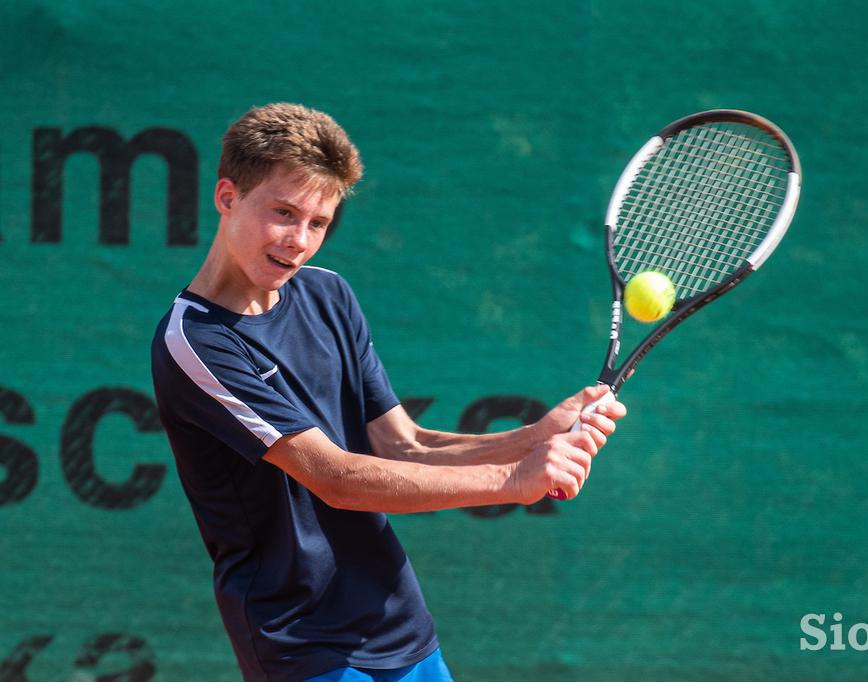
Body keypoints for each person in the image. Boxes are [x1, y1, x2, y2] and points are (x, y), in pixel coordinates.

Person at [150, 103, 626, 682]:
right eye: (283, 213)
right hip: (304, 646)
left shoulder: (328, 295)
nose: (299, 241)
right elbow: (338, 480)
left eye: (319, 223)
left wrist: (533, 437)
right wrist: (513, 481)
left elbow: (404, 446)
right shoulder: (197, 342)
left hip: (400, 624)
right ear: (227, 196)